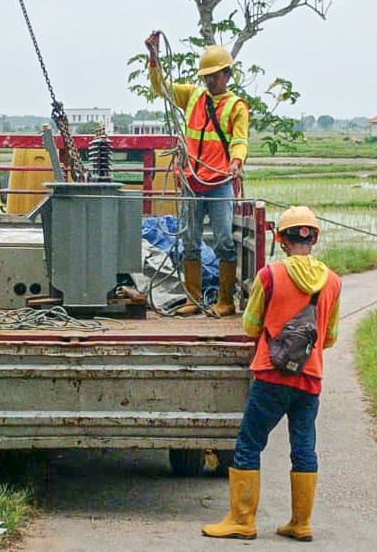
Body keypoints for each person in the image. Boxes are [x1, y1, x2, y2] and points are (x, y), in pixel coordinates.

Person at [203, 206, 341, 541]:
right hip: (310, 378)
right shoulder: (333, 282)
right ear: (315, 238)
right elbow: (331, 337)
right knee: (304, 446)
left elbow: (251, 325)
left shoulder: (270, 275)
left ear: (281, 239)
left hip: (271, 375)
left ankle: (243, 520)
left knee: (250, 443)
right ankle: (301, 522)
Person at [145, 31, 249, 317]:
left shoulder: (236, 107)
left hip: (219, 183)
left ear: (227, 74)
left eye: (214, 76)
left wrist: (236, 162)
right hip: (192, 182)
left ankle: (226, 301)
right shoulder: (192, 97)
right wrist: (154, 59)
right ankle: (193, 299)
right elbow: (161, 88)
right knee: (189, 239)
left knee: (224, 239)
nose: (209, 81)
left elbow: (240, 140)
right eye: (206, 76)